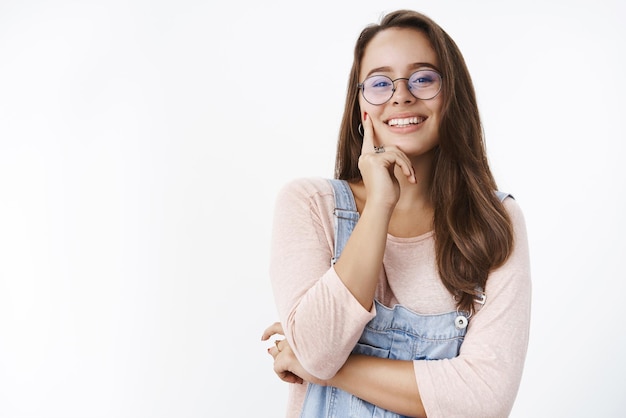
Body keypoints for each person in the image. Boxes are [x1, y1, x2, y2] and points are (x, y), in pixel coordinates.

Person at [261, 9, 531, 418]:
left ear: (451, 94)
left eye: (423, 78)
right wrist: (380, 206)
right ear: (361, 107)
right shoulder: (310, 204)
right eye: (381, 83)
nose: (401, 95)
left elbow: (483, 400)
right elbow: (318, 350)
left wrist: (328, 370)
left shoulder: (494, 220)